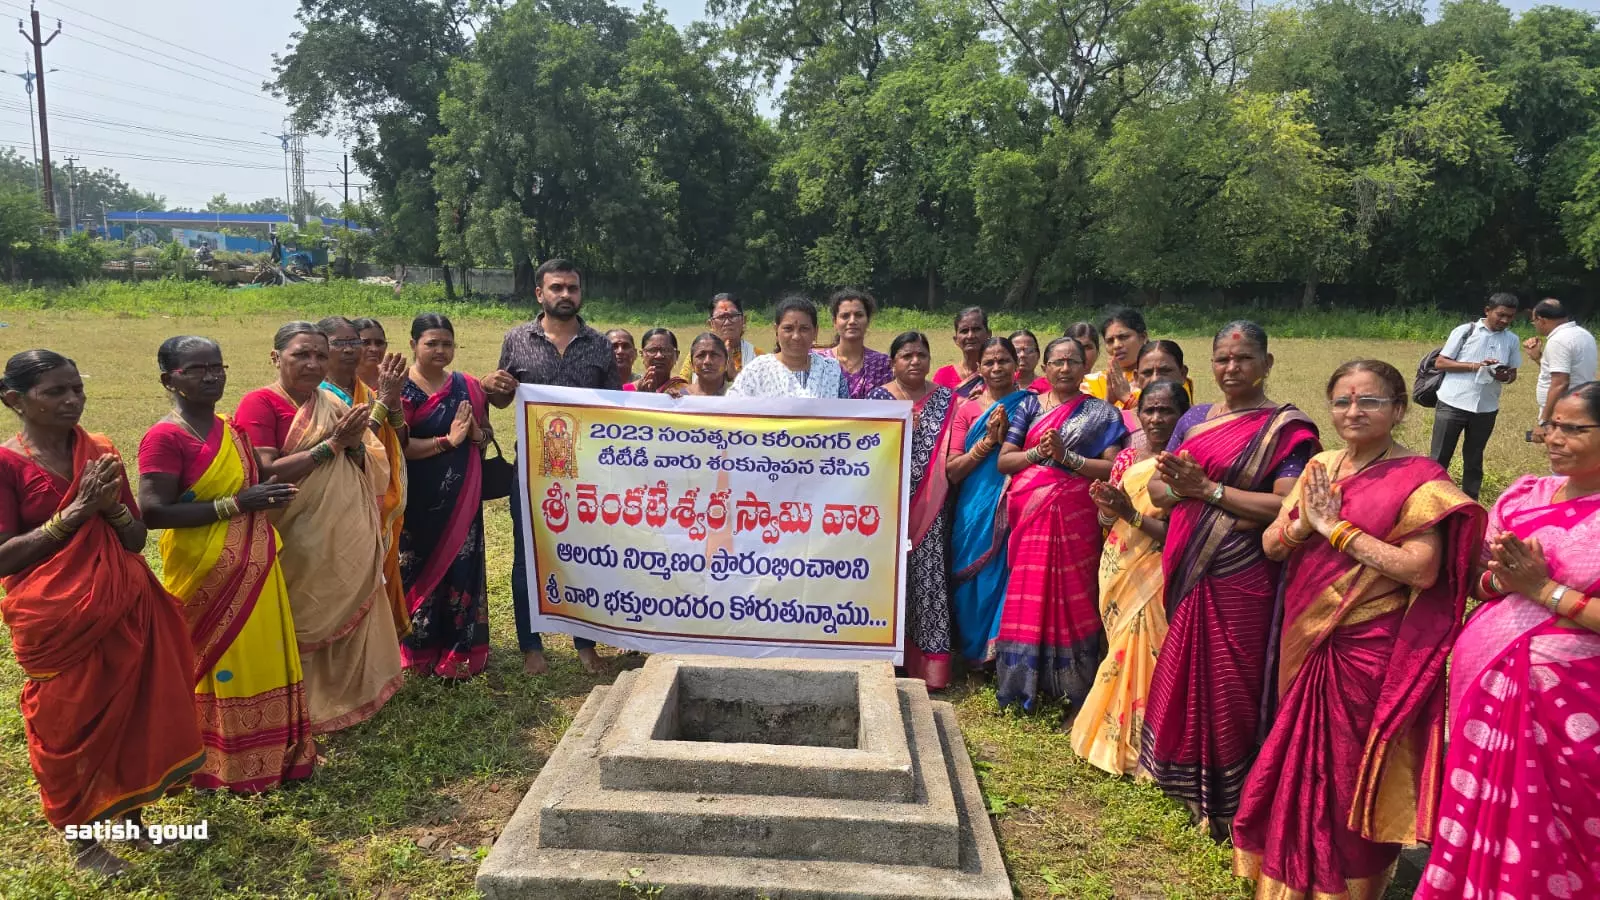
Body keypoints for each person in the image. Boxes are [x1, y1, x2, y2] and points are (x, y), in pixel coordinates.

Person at [1234, 360, 1483, 898]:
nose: (1353, 411)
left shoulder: (1422, 479)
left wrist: (1336, 529)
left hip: (1367, 645)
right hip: (1306, 633)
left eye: (1369, 401)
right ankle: (1287, 870)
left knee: (1348, 764)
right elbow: (1272, 546)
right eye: (1342, 401)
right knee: (1298, 754)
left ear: (1398, 409)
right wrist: (1303, 524)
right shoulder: (1321, 466)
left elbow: (1421, 569)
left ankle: (1345, 883)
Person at [0, 350, 204, 876]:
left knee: (133, 716)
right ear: (14, 400)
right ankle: (84, 842)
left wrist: (110, 506)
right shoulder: (6, 464)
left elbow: (135, 538)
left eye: (77, 389)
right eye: (55, 392)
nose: (72, 400)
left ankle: (131, 822)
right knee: (68, 727)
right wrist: (72, 515)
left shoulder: (101, 450)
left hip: (126, 607)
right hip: (57, 621)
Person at [1415, 381, 1600, 900]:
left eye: (1572, 428)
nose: (1553, 438)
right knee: (1479, 812)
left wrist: (1544, 589)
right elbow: (1480, 582)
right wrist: (1503, 580)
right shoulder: (1525, 496)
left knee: (1565, 823)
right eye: (1551, 425)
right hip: (1486, 689)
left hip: (1573, 707)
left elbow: (1535, 587)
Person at [1140, 320, 1321, 838]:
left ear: (1267, 363)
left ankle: (1232, 797)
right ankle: (1186, 782)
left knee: (1232, 679)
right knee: (1187, 668)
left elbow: (1287, 506)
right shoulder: (1194, 419)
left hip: (1245, 573)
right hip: (1189, 564)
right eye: (1222, 359)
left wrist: (1207, 491)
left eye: (1243, 359)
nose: (1231, 368)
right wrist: (1197, 493)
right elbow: (1158, 490)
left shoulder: (1287, 430)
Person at [136, 337, 314, 794]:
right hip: (204, 570)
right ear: (169, 379)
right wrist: (235, 505)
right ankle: (221, 764)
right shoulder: (165, 437)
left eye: (217, 366)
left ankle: (276, 753)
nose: (212, 376)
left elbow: (258, 480)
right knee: (218, 664)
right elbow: (153, 512)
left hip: (256, 565)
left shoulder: (230, 429)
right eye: (196, 369)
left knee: (264, 655)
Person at [235, 322, 404, 733]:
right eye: (301, 354)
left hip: (344, 524)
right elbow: (267, 473)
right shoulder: (259, 403)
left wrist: (357, 437)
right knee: (301, 613)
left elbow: (366, 455)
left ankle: (341, 698)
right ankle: (296, 711)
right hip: (294, 529)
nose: (312, 363)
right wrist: (334, 444)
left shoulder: (330, 401)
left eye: (319, 356)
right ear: (276, 357)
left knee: (344, 597)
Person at [482, 259, 617, 676]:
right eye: (556, 287)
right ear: (540, 293)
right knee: (528, 556)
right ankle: (531, 647)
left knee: (583, 557)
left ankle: (585, 644)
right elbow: (502, 399)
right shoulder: (516, 339)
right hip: (531, 470)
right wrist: (492, 387)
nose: (565, 295)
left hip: (586, 473)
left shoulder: (599, 345)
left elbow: (616, 409)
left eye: (572, 288)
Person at [993, 337, 1128, 712]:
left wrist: (1067, 457)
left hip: (1075, 516)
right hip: (1032, 514)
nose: (1065, 368)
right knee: (1029, 591)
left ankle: (1072, 686)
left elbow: (1113, 468)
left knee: (1074, 595)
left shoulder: (1103, 413)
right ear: (1045, 368)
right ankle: (1021, 684)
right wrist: (1040, 452)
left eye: (1073, 361)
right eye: (1058, 362)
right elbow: (1006, 461)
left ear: (1085, 367)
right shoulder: (1029, 406)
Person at [1070, 380, 1189, 775]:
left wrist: (1129, 514)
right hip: (1119, 565)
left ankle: (1142, 746)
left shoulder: (1185, 465)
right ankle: (1109, 734)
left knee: (1147, 649)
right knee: (1118, 648)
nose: (1156, 418)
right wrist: (1107, 507)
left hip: (1156, 572)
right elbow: (1109, 519)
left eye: (1166, 410)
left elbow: (1180, 532)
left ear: (1182, 415)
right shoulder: (1127, 458)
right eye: (1149, 410)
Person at [399, 314, 492, 679]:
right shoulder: (401, 389)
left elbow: (484, 436)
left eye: (447, 344)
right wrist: (447, 442)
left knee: (462, 572)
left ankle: (458, 654)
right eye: (431, 343)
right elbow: (398, 447)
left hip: (462, 498)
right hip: (416, 498)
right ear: (413, 344)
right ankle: (418, 654)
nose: (440, 350)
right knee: (416, 570)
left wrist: (474, 435)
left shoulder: (468, 386)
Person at [868, 332, 960, 688]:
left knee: (928, 579)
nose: (915, 361)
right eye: (906, 355)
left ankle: (928, 666)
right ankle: (883, 659)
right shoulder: (879, 398)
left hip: (932, 508)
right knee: (887, 580)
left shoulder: (946, 400)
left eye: (921, 355)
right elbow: (867, 447)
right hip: (887, 505)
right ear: (893, 362)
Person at [318, 315, 411, 637]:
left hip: (378, 501)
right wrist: (384, 400)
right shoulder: (320, 396)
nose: (354, 350)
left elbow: (400, 441)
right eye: (344, 343)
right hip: (341, 499)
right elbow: (354, 443)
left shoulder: (366, 393)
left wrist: (391, 401)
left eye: (354, 343)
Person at [946, 337, 1030, 666]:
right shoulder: (966, 409)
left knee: (1007, 573)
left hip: (1015, 502)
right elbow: (953, 470)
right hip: (974, 506)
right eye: (990, 362)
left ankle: (999, 655)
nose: (997, 368)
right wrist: (988, 442)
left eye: (1003, 361)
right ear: (978, 368)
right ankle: (971, 653)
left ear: (1016, 365)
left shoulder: (1031, 406)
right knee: (970, 576)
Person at [1429, 293, 1521, 500]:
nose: (1505, 320)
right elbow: (1441, 363)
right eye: (1501, 315)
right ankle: (1431, 498)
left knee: (1474, 459)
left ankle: (1470, 502)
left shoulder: (1512, 340)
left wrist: (1503, 375)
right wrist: (1476, 366)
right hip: (1453, 402)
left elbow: (1512, 375)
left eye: (1510, 317)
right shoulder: (1465, 331)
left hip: (1486, 408)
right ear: (1487, 311)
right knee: (1439, 457)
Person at [727, 295, 849, 398]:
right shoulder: (757, 370)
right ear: (776, 330)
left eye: (804, 329)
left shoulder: (831, 371)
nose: (796, 336)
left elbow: (845, 415)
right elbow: (733, 410)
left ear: (815, 332)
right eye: (788, 328)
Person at [1526, 297, 1597, 443]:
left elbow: (1560, 383)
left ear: (1541, 319)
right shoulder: (1584, 334)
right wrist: (1538, 358)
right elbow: (1566, 370)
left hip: (1564, 408)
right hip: (1581, 403)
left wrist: (1544, 421)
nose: (1535, 325)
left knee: (1562, 451)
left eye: (1534, 321)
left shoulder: (1558, 340)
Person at [816, 288, 893, 399]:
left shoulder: (882, 364)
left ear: (868, 321)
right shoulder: (819, 362)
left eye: (859, 315)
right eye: (845, 316)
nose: (852, 321)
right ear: (835, 322)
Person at [677, 292, 764, 384]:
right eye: (721, 317)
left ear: (743, 320)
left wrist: (734, 375)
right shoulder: (699, 355)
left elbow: (765, 389)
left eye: (732, 316)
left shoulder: (757, 357)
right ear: (711, 324)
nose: (727, 322)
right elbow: (681, 386)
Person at [1082, 309, 1142, 406]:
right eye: (1110, 341)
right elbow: (1087, 415)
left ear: (1143, 337)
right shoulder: (1092, 383)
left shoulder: (1158, 378)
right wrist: (1108, 401)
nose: (1116, 345)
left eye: (1123, 337)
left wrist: (1127, 398)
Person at [932, 307, 992, 399]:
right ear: (956, 340)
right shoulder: (944, 376)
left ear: (989, 334)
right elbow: (937, 407)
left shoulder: (999, 372)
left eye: (976, 329)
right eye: (964, 331)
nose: (970, 336)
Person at [624, 328, 691, 394]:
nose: (659, 356)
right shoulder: (626, 391)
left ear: (676, 355)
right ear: (642, 354)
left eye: (666, 350)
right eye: (652, 350)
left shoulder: (685, 392)